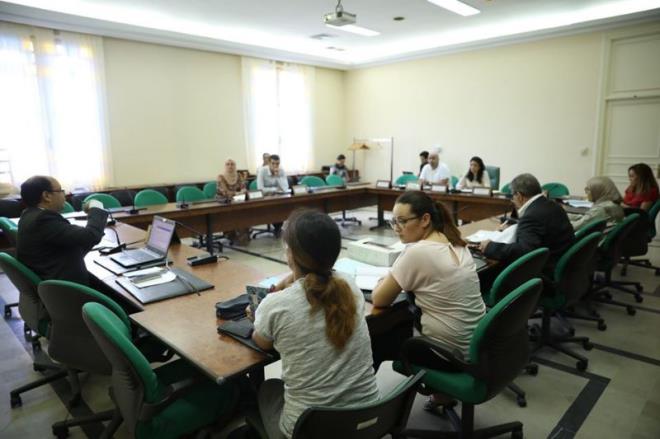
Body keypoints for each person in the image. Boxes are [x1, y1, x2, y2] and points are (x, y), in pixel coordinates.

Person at [251, 210, 380, 439]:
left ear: (291, 254)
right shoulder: (349, 285)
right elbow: (315, 279)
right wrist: (291, 278)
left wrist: (256, 316)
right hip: (367, 420)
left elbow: (262, 343)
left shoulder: (275, 305)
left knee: (268, 388)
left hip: (308, 431)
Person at [17, 176, 108, 285]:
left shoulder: (28, 214)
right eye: (60, 190)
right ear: (47, 196)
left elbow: (83, 239)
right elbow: (90, 236)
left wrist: (94, 233)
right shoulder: (43, 219)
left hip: (50, 278)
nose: (64, 194)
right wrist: (96, 209)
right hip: (65, 286)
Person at [479, 173, 575, 275]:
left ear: (519, 196)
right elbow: (541, 226)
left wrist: (490, 246)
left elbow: (524, 251)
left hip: (545, 271)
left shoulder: (531, 216)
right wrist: (519, 226)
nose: (512, 200)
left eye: (513, 196)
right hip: (565, 264)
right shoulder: (553, 205)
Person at [216, 159, 250, 244]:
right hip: (225, 202)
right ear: (225, 166)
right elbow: (225, 192)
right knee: (231, 214)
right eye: (228, 164)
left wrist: (243, 190)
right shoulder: (220, 177)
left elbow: (243, 187)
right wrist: (238, 193)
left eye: (232, 164)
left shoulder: (239, 175)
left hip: (238, 200)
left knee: (245, 211)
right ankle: (231, 235)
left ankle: (243, 235)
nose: (230, 166)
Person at [257, 154, 289, 236]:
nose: (275, 166)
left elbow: (285, 188)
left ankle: (278, 228)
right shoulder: (262, 171)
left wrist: (277, 176)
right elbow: (260, 189)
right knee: (274, 208)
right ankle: (277, 228)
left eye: (277, 163)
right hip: (265, 198)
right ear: (268, 163)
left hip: (279, 197)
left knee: (282, 207)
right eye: (273, 163)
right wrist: (274, 189)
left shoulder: (281, 170)